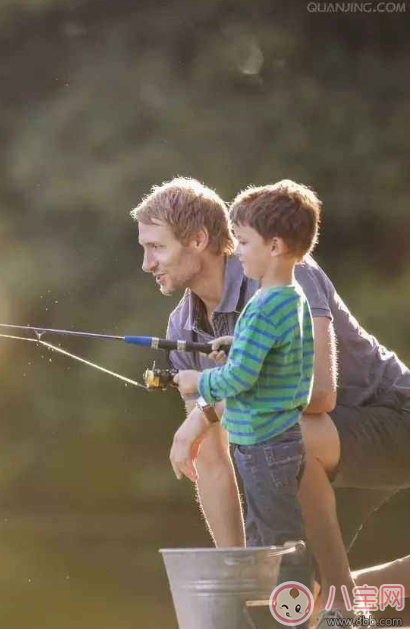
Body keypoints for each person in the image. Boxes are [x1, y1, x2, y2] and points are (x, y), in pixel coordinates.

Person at [130, 177, 409, 614]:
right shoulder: (182, 327)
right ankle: (329, 603)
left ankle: (335, 604)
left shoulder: (285, 275)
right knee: (294, 600)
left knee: (279, 432)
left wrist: (204, 412)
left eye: (157, 247)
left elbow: (319, 396)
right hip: (312, 455)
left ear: (199, 240)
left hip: (393, 419)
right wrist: (238, 580)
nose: (146, 263)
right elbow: (211, 456)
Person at [171, 181, 318, 582]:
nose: (237, 250)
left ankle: (293, 613)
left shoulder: (263, 306)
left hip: (262, 444)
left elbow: (239, 376)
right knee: (273, 533)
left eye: (245, 241)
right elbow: (279, 352)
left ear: (275, 246)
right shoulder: (290, 297)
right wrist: (238, 341)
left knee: (274, 542)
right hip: (282, 438)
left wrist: (197, 381)